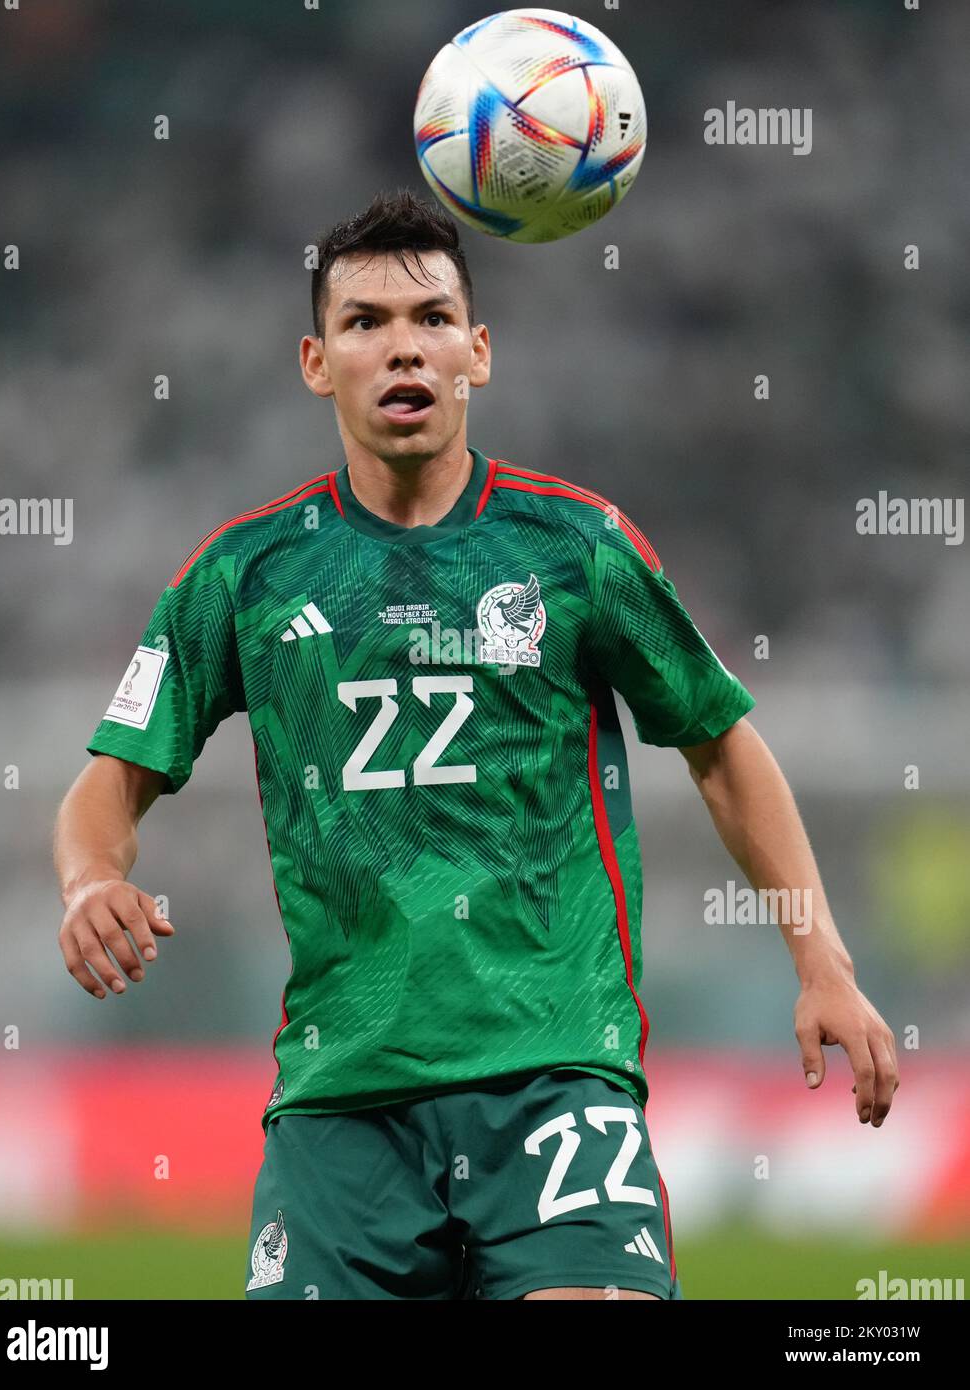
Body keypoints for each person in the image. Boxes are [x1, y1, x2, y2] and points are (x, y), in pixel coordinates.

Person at [54, 187, 899, 1301]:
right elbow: (107, 782)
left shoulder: (574, 547)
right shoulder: (241, 576)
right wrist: (88, 880)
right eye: (364, 323)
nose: (401, 346)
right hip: (341, 1095)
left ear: (477, 351)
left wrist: (820, 961)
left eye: (431, 319)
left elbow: (718, 743)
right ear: (316, 361)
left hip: (554, 1070)